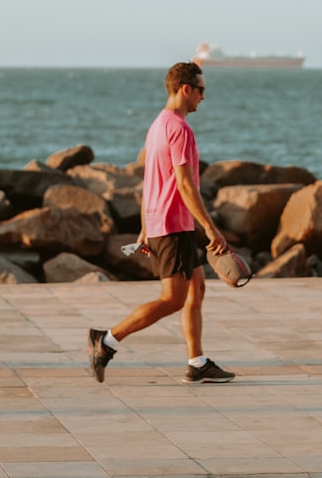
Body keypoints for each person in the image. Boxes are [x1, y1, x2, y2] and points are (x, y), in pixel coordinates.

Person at [89, 61, 235, 384]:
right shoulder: (180, 129)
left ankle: (197, 363)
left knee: (197, 287)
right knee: (173, 299)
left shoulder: (158, 125)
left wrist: (144, 228)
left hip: (166, 223)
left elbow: (151, 181)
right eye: (201, 90)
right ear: (186, 89)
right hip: (172, 226)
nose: (203, 97)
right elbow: (185, 185)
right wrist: (211, 229)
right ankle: (107, 341)